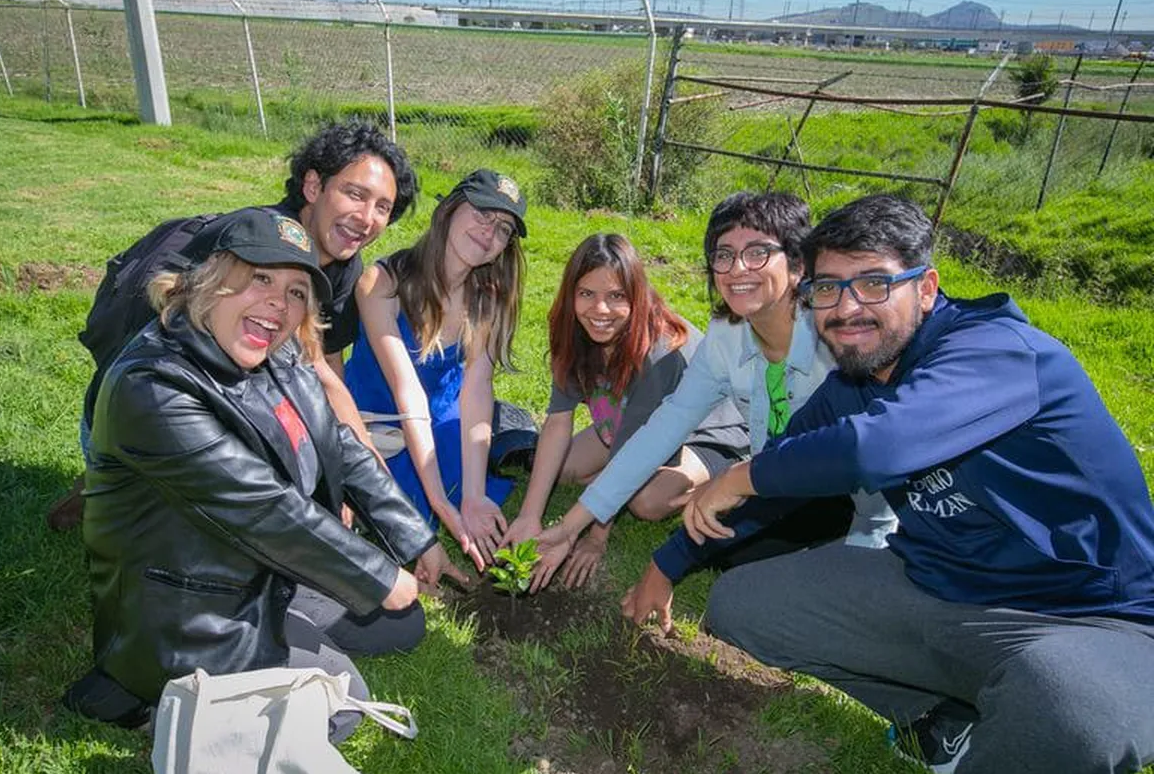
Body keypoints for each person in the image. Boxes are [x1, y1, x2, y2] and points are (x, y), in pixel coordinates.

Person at [633, 194, 1154, 774]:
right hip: (940, 585)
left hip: (1095, 618)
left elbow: (874, 447)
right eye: (828, 289)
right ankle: (938, 718)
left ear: (926, 288)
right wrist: (667, 563)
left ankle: (1018, 718)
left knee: (1070, 713)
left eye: (874, 284)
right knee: (742, 606)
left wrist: (737, 473)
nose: (848, 308)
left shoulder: (997, 354)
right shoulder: (855, 380)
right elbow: (779, 482)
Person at [63, 208, 467, 737]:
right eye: (260, 278)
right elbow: (265, 508)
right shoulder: (152, 387)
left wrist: (413, 539)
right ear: (211, 278)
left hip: (253, 570)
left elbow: (340, 444)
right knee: (339, 707)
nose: (280, 303)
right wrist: (378, 573)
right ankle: (138, 696)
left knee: (399, 626)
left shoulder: (272, 352)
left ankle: (277, 635)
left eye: (297, 290)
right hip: (184, 604)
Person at [47, 118, 416, 530]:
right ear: (314, 186)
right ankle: (112, 484)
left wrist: (357, 461)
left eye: (382, 207)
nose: (367, 217)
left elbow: (325, 368)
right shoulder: (253, 246)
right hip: (138, 412)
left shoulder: (342, 265)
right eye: (354, 194)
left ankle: (120, 490)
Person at [531, 192, 895, 591]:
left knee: (749, 575)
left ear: (796, 264)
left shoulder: (840, 337)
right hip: (778, 476)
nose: (738, 268)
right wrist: (569, 529)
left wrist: (868, 542)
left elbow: (878, 448)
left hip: (842, 489)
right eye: (724, 255)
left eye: (757, 252)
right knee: (733, 556)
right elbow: (663, 428)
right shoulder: (725, 337)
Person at [499, 233, 747, 587]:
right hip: (628, 423)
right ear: (571, 294)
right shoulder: (571, 331)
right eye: (587, 294)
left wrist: (596, 536)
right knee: (563, 469)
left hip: (708, 431)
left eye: (616, 296)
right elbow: (557, 423)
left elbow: (633, 450)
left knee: (645, 502)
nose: (600, 310)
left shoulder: (660, 351)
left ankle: (724, 482)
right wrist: (529, 516)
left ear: (637, 296)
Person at [344, 169, 530, 572]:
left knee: (469, 480)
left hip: (443, 411)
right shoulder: (383, 282)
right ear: (449, 210)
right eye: (482, 212)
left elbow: (478, 387)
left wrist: (473, 495)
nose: (488, 231)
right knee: (405, 505)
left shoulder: (487, 299)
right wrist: (440, 502)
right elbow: (405, 390)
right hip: (385, 416)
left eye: (503, 229)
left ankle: (503, 436)